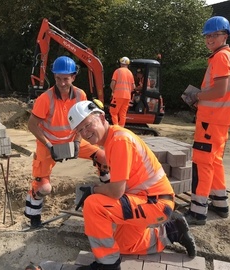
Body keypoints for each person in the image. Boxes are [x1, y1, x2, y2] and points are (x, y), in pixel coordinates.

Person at [67, 100, 196, 270]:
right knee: (123, 245)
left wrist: (92, 190)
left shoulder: (120, 141)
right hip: (144, 201)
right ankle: (172, 232)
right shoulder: (112, 141)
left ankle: (108, 265)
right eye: (80, 130)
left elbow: (115, 192)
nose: (85, 132)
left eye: (87, 125)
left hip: (157, 204)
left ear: (102, 117)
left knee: (93, 204)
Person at [24, 56, 110, 228]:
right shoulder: (45, 99)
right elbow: (32, 125)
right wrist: (49, 146)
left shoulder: (80, 95)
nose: (61, 83)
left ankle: (108, 194)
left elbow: (82, 121)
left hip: (72, 139)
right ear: (54, 77)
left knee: (103, 157)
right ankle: (33, 216)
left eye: (65, 79)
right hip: (48, 145)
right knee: (44, 188)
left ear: (73, 77)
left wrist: (78, 142)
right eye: (57, 78)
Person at [183, 16, 230, 225]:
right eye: (207, 36)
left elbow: (219, 90)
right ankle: (220, 204)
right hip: (220, 120)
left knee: (202, 163)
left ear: (225, 35)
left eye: (214, 35)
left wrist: (197, 96)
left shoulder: (220, 58)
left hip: (211, 120)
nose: (209, 39)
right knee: (215, 161)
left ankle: (197, 211)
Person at [109, 56, 135, 127]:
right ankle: (121, 128)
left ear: (120, 63)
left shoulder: (117, 71)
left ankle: (116, 127)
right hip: (127, 97)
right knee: (122, 114)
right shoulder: (130, 73)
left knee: (113, 112)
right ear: (128, 64)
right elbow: (133, 87)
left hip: (118, 96)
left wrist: (114, 91)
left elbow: (112, 84)